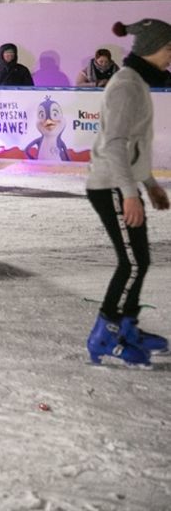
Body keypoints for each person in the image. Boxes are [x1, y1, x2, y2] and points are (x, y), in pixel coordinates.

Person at [83, 20, 171, 367]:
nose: (170, 56)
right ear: (150, 48)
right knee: (132, 262)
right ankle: (104, 336)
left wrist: (148, 184)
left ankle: (128, 327)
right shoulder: (126, 86)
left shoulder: (136, 83)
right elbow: (115, 144)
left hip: (123, 185)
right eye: (168, 49)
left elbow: (133, 146)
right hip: (111, 186)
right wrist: (129, 192)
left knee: (140, 260)